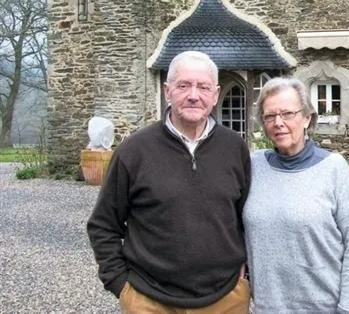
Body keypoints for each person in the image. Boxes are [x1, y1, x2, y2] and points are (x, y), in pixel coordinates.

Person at [87, 50, 251, 314]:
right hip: (150, 301)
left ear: (216, 94)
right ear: (167, 91)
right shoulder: (134, 151)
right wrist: (120, 285)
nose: (194, 95)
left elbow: (249, 219)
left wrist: (247, 278)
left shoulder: (235, 148)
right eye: (183, 85)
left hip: (226, 300)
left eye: (203, 87)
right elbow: (103, 225)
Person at [244, 77, 349, 314]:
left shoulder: (333, 168)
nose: (278, 122)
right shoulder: (252, 166)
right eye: (270, 116)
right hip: (268, 308)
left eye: (287, 114)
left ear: (307, 118)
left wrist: (348, 308)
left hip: (326, 308)